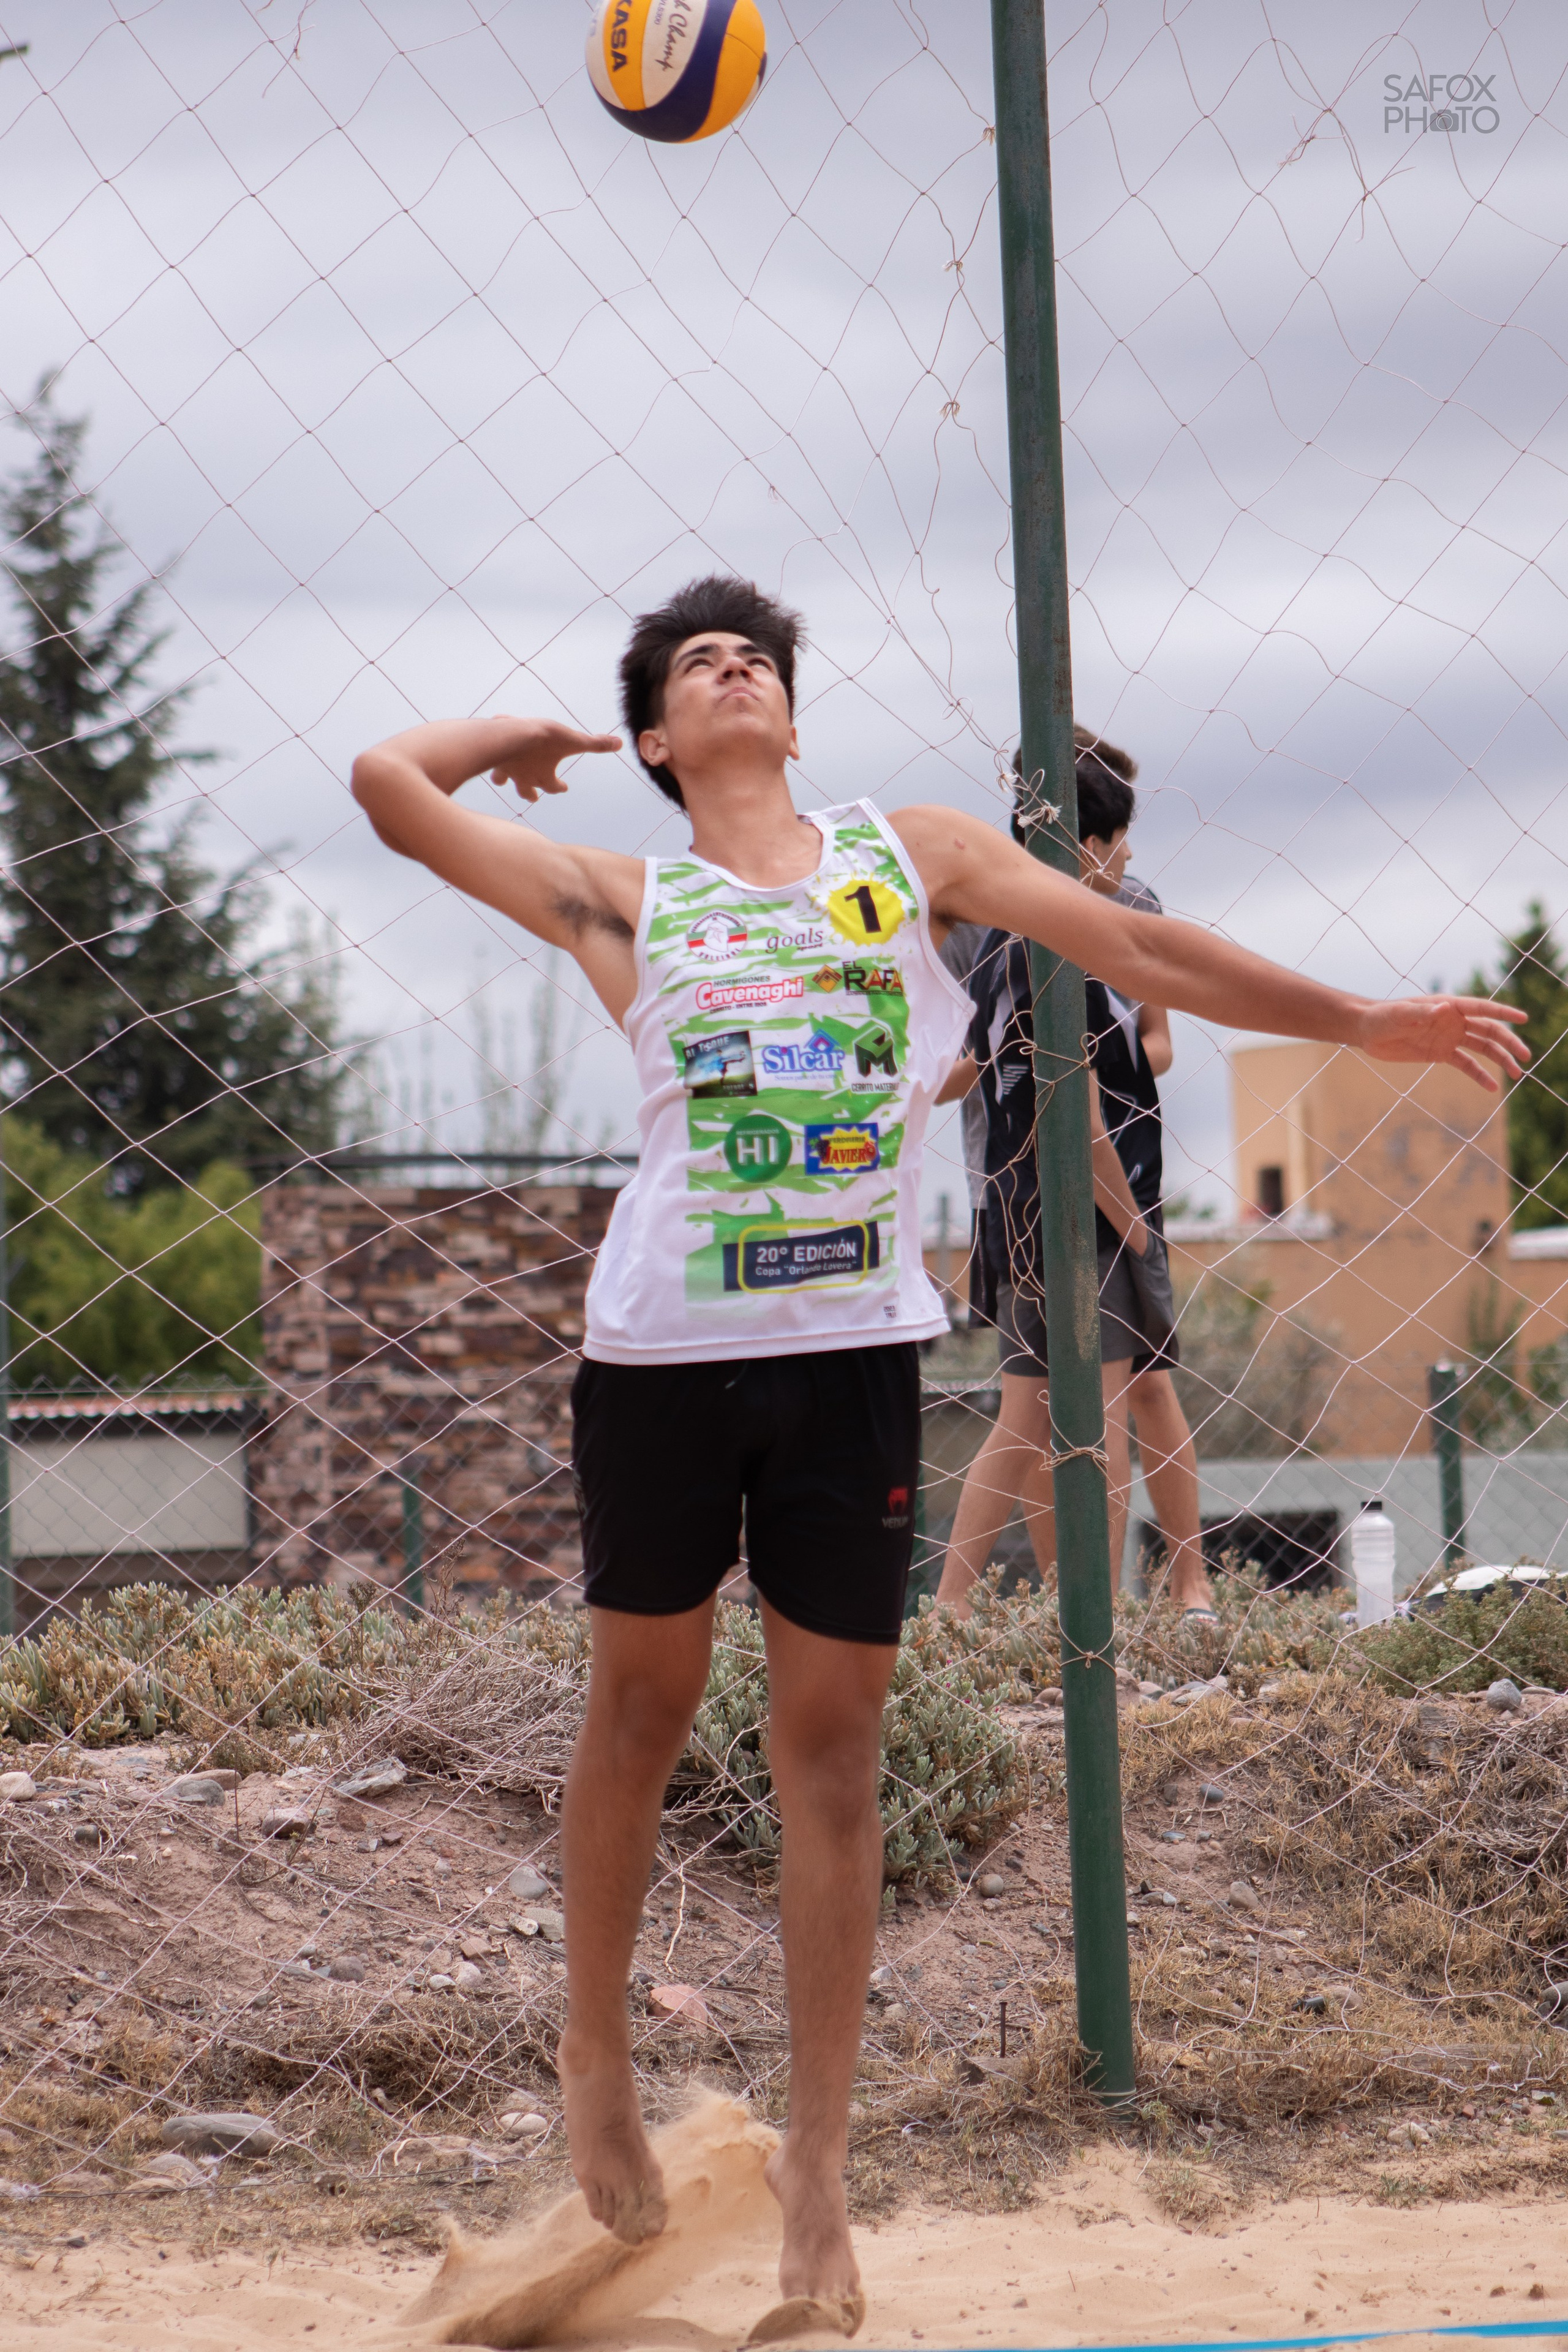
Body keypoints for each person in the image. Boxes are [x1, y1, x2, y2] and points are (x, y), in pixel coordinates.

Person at [349, 576, 1524, 2326]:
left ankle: (820, 2175)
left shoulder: (907, 857)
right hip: (665, 1358)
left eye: (759, 657)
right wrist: (513, 734)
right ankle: (594, 2050)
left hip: (851, 1363)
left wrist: (1359, 1021)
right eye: (697, 663)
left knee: (833, 1754)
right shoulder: (627, 897)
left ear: (791, 714)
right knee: (641, 1714)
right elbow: (386, 785)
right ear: (658, 737)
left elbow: (1137, 952)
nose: (736, 668)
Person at [936, 729, 1215, 1618]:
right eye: (1120, 834)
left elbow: (1143, 1051)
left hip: (1101, 1178)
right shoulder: (1002, 930)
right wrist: (1018, 1056)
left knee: (1059, 1406)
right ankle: (1090, 1619)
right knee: (1074, 1411)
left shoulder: (1122, 911)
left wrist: (1082, 1061)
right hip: (1048, 1192)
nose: (1129, 854)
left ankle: (1140, 1596)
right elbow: (1024, 1090)